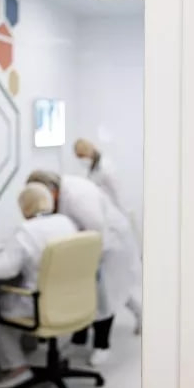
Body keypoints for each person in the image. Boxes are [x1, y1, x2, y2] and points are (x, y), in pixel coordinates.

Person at [0, 182, 78, 388]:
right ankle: (8, 357)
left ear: (25, 207)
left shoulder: (26, 230)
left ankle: (17, 367)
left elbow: (8, 269)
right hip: (68, 297)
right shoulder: (64, 222)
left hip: (39, 302)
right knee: (9, 309)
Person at [27, 170, 140, 365]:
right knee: (108, 290)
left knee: (104, 296)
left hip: (110, 245)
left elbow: (96, 232)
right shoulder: (61, 192)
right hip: (95, 245)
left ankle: (102, 345)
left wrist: (83, 262)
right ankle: (81, 338)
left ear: (51, 189)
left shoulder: (78, 196)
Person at [74, 139, 143, 334]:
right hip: (107, 227)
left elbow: (117, 198)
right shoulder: (94, 169)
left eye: (81, 156)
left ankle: (137, 313)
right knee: (111, 284)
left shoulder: (106, 168)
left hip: (115, 230)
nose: (81, 160)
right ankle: (137, 313)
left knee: (112, 284)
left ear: (89, 152)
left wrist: (118, 221)